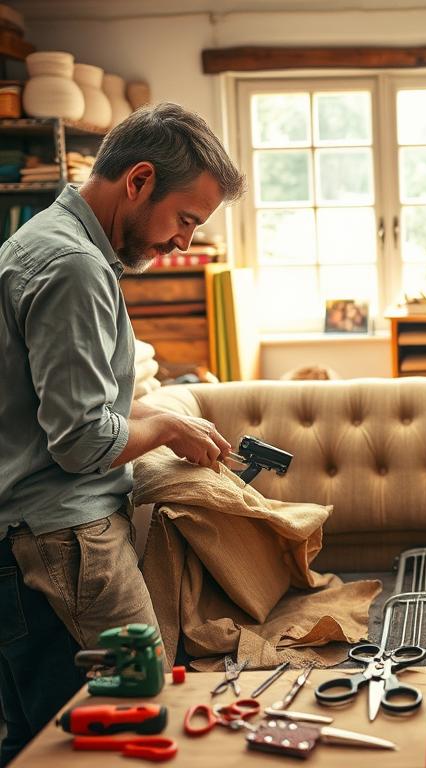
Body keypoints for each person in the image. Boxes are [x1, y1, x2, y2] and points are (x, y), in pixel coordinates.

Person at [0, 102, 244, 763]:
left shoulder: (41, 241)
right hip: (67, 548)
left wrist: (162, 420)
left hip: (29, 544)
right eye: (186, 219)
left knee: (36, 742)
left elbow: (55, 409)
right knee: (124, 736)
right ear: (138, 181)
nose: (185, 242)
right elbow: (78, 440)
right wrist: (163, 423)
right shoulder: (74, 267)